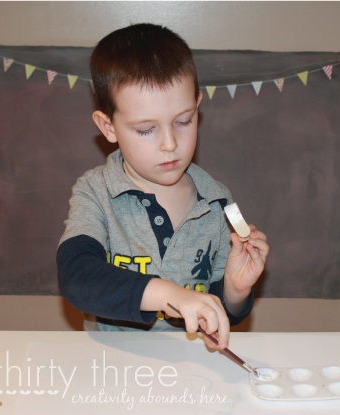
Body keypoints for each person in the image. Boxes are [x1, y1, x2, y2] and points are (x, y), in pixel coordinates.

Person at [57, 23, 269, 349]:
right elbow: (77, 276)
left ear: (197, 106)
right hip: (113, 361)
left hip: (191, 361)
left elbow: (223, 312)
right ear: (108, 126)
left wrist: (235, 289)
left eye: (183, 121)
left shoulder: (220, 202)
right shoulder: (95, 191)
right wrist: (169, 294)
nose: (170, 144)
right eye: (146, 129)